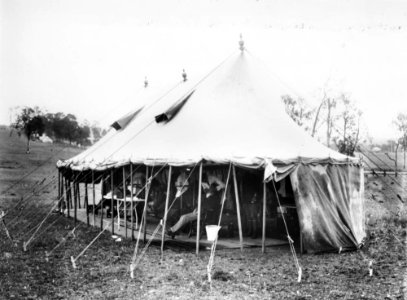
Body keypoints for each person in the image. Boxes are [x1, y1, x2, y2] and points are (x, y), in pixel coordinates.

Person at [167, 173, 224, 238]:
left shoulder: (214, 199)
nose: (206, 188)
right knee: (183, 216)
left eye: (209, 189)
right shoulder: (205, 196)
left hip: (205, 214)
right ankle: (173, 230)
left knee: (184, 217)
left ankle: (172, 230)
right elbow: (201, 204)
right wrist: (197, 208)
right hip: (199, 212)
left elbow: (211, 207)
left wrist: (200, 210)